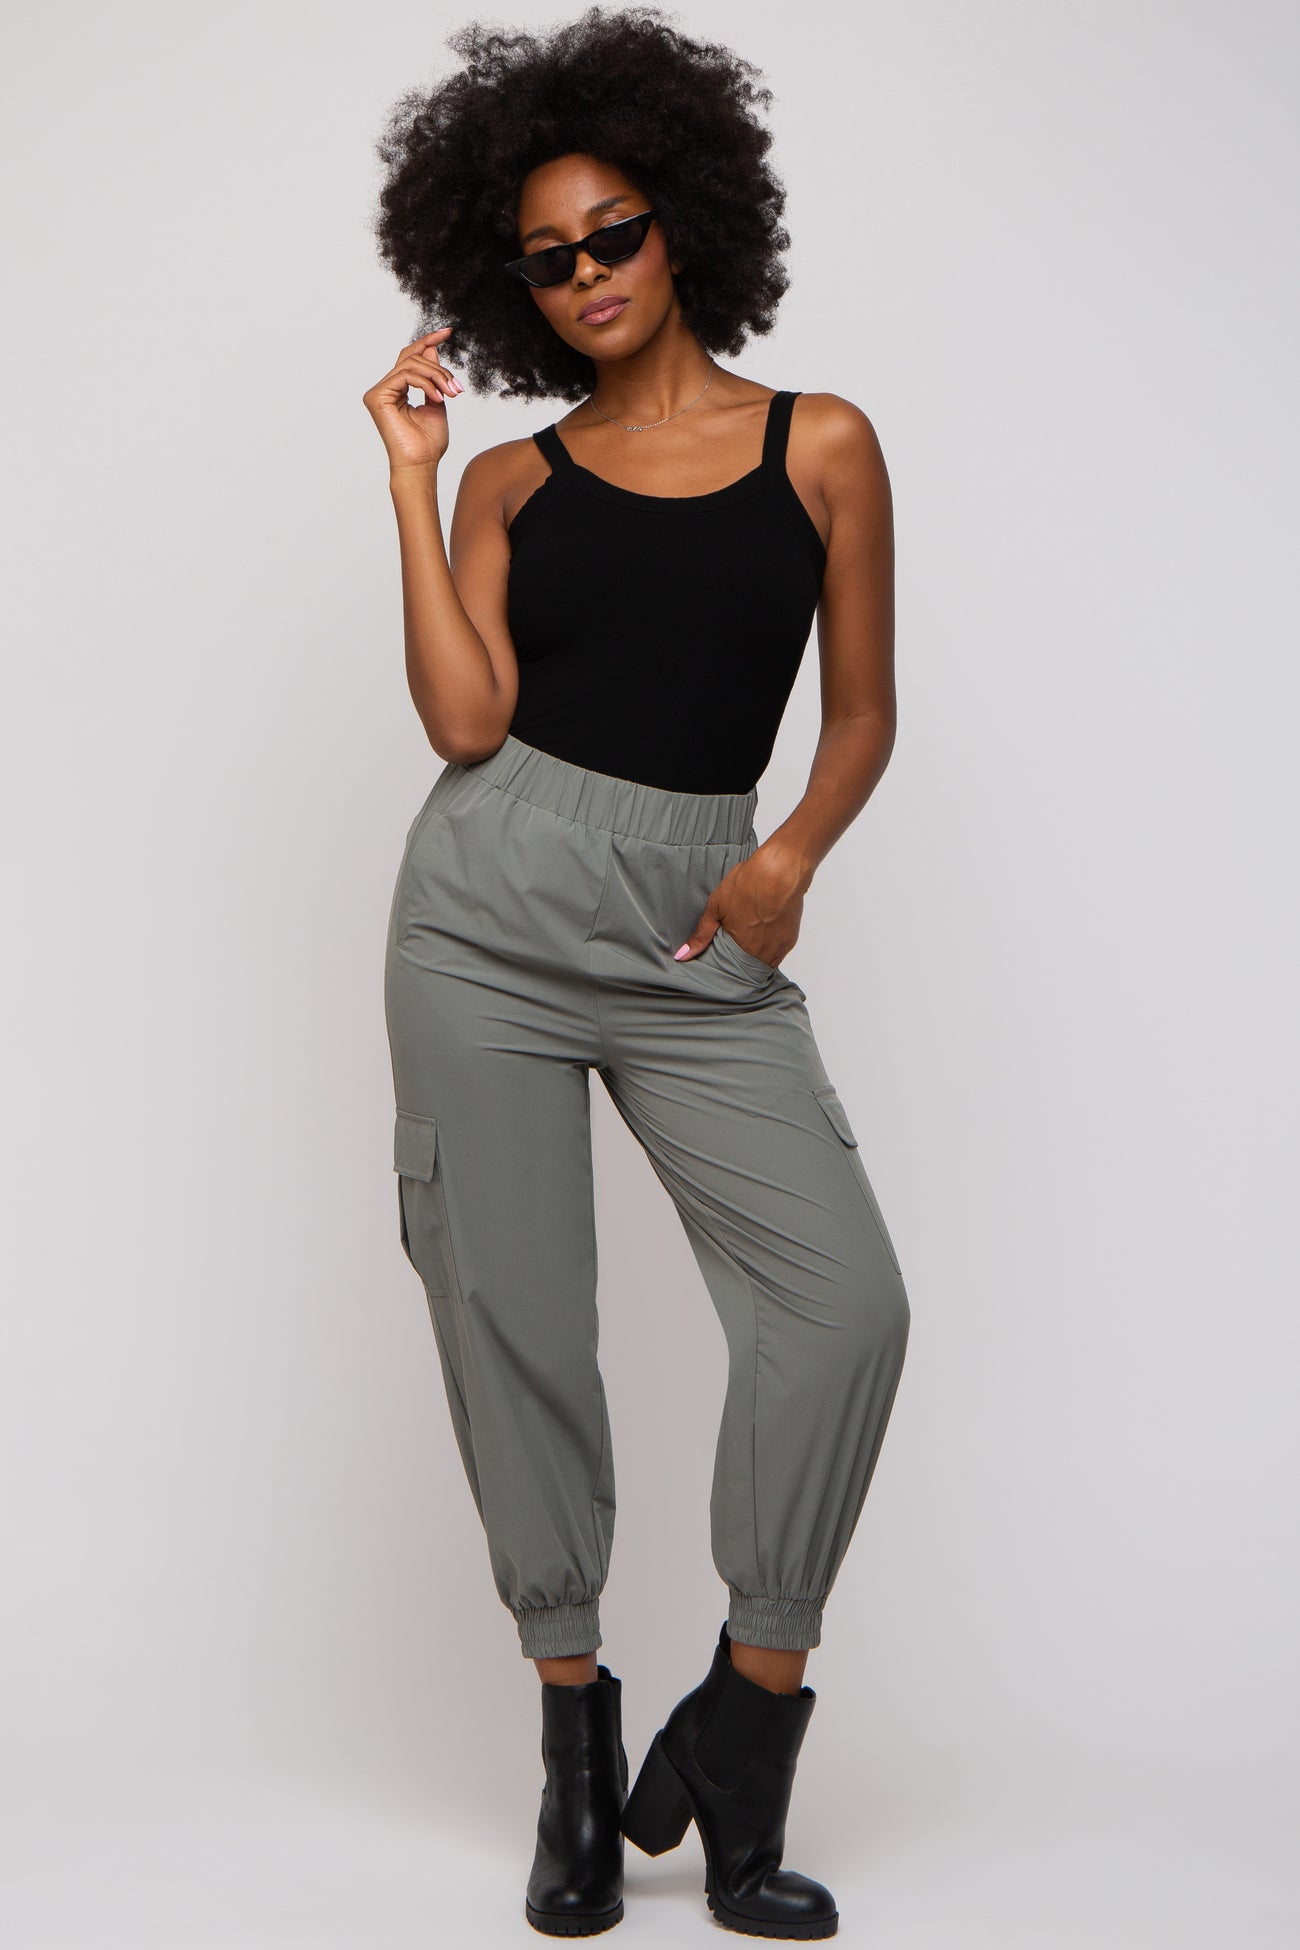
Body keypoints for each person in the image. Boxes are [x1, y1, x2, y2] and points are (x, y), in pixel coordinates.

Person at [364, 7, 910, 1937]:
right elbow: (464, 721)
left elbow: (862, 713)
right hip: (487, 921)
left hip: (700, 922)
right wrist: (413, 477)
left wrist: (787, 856)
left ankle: (743, 1731)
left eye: (614, 233)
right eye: (546, 259)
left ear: (684, 221)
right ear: (509, 284)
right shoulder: (511, 483)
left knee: (843, 1308)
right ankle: (576, 1747)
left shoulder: (819, 441)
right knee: (515, 1315)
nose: (588, 273)